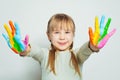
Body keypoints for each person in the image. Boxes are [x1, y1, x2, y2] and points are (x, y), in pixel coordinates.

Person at [2, 13, 115, 80]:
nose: (62, 37)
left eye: (67, 32)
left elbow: (86, 50)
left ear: (73, 35)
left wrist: (93, 46)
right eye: (56, 32)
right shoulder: (45, 55)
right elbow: (34, 51)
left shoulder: (77, 55)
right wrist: (24, 49)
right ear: (48, 36)